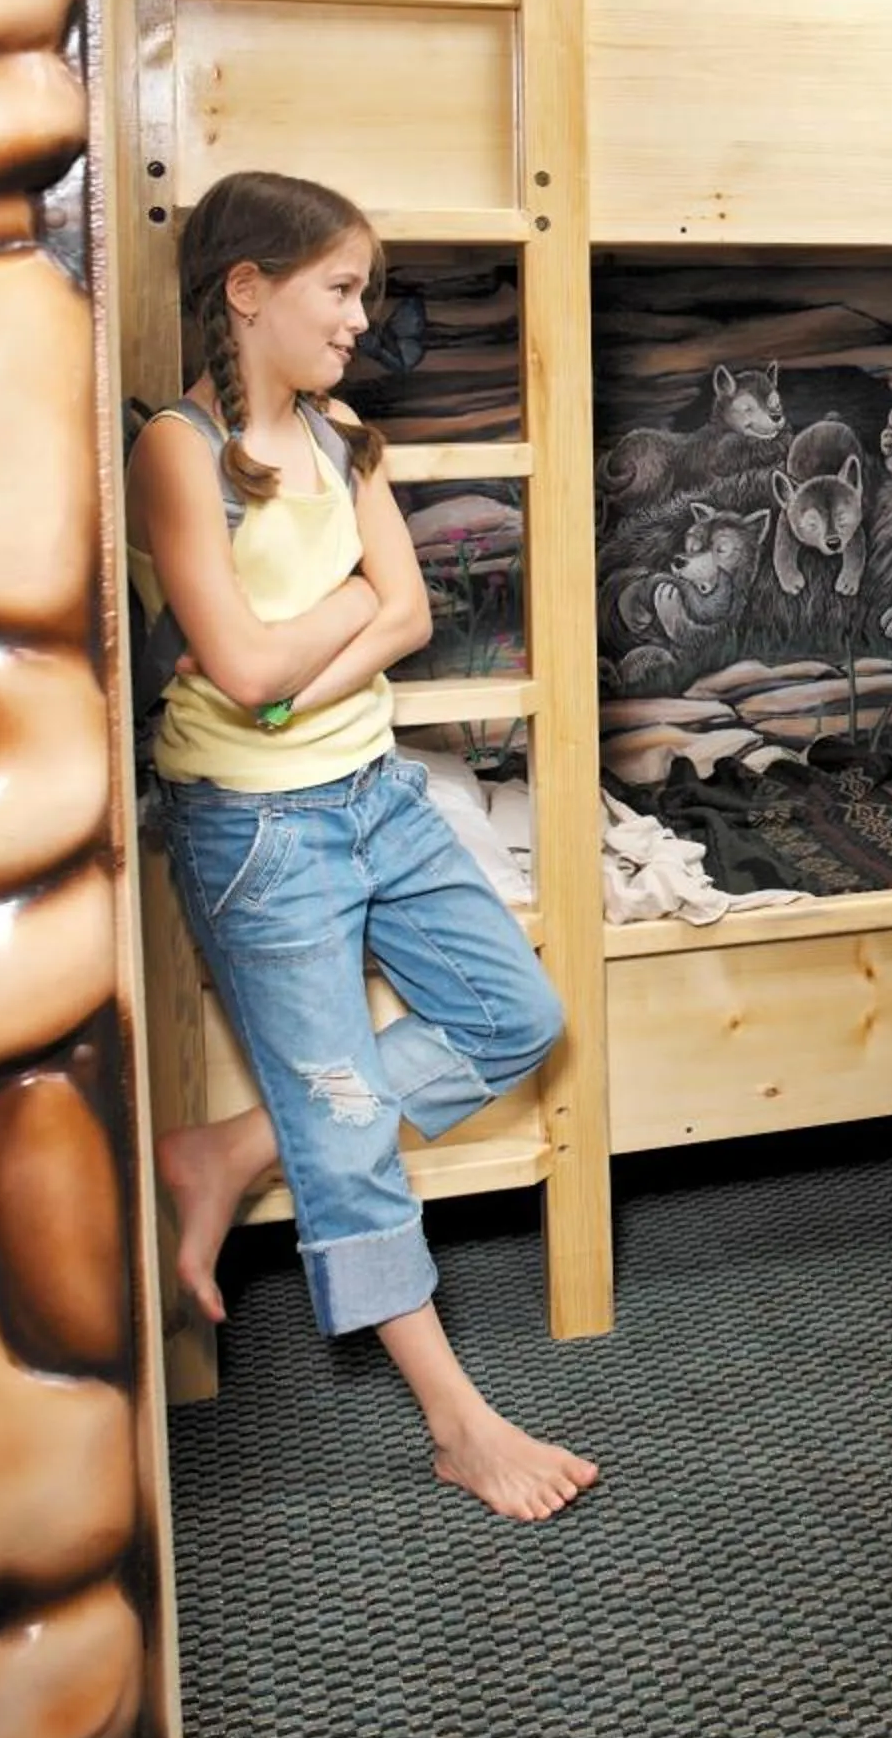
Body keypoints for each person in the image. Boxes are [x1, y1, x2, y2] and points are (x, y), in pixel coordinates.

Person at [126, 169, 597, 1522]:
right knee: (343, 1136)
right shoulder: (180, 448)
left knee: (517, 1012)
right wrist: (313, 636)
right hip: (259, 835)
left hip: (372, 789)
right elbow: (239, 655)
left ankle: (223, 1151)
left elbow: (402, 614)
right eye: (340, 289)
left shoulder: (341, 434)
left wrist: (292, 671)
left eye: (364, 292)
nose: (358, 318)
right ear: (248, 289)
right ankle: (460, 1423)